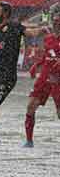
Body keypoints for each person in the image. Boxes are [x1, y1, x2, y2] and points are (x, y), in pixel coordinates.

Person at [0, 1, 48, 158]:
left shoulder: (14, 27)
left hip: (8, 77)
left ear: (5, 13)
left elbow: (31, 33)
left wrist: (42, 30)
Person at [23, 10, 60, 147]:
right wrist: (36, 65)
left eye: (58, 22)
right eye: (55, 21)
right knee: (31, 106)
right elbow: (46, 55)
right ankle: (29, 141)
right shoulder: (48, 38)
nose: (56, 24)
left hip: (58, 79)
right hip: (45, 77)